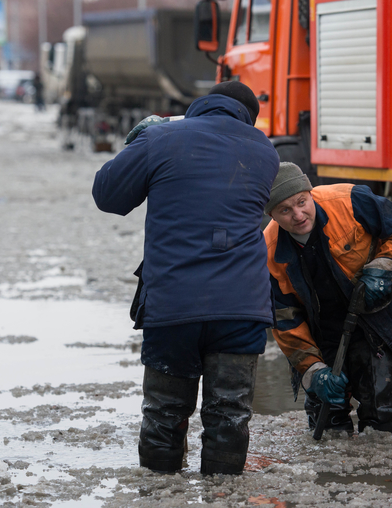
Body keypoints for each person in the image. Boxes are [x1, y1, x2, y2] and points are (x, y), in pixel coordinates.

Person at [92, 81, 279, 475]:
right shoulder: (264, 149)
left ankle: (159, 495)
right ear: (249, 117)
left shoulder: (161, 138)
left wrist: (138, 143)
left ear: (200, 106)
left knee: (164, 413)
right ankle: (223, 497)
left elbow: (108, 196)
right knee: (229, 415)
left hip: (175, 304)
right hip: (242, 305)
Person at [265, 162, 392, 433]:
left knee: (380, 408)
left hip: (375, 318)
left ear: (310, 193)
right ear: (273, 215)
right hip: (321, 332)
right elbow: (284, 320)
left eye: (302, 202)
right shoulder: (269, 252)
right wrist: (312, 370)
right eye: (285, 210)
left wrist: (383, 265)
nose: (299, 215)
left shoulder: (349, 201)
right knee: (327, 421)